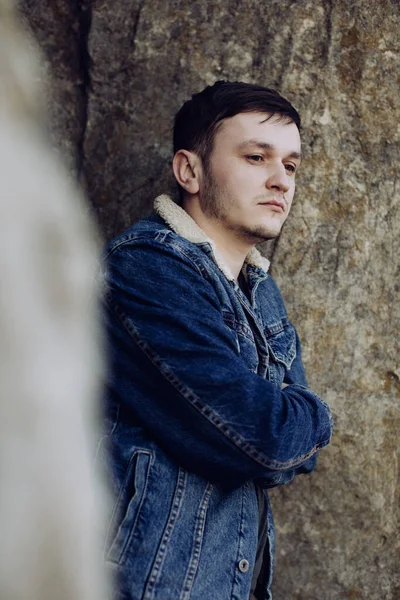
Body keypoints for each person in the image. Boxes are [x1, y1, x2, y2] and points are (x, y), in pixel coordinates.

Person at [99, 80, 333, 600]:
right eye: (256, 157)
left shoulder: (258, 288)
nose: (281, 181)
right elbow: (265, 442)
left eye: (291, 166)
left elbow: (290, 450)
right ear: (190, 170)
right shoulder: (144, 270)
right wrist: (318, 417)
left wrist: (290, 426)